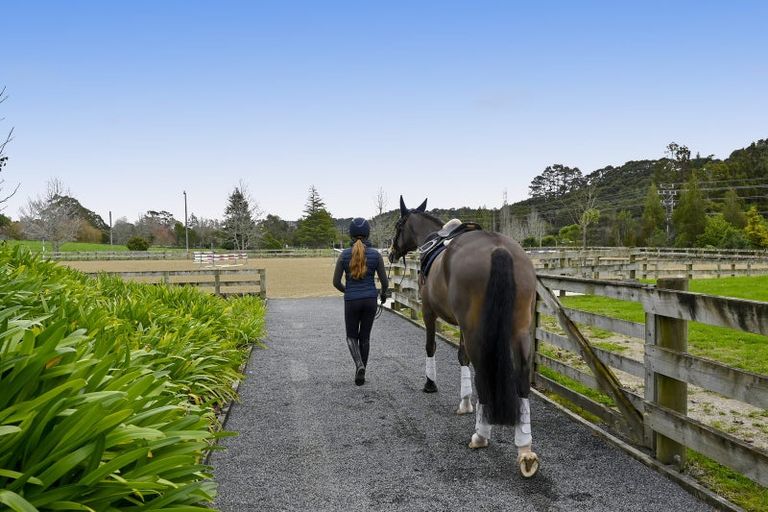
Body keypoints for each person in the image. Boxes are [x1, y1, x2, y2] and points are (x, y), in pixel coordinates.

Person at [333, 217, 389, 385]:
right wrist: (383, 294)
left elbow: (335, 282)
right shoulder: (375, 255)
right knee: (365, 337)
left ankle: (358, 365)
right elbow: (385, 283)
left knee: (351, 337)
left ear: (351, 234)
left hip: (351, 300)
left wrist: (348, 290)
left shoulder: (344, 255)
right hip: (370, 300)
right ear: (367, 233)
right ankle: (362, 371)